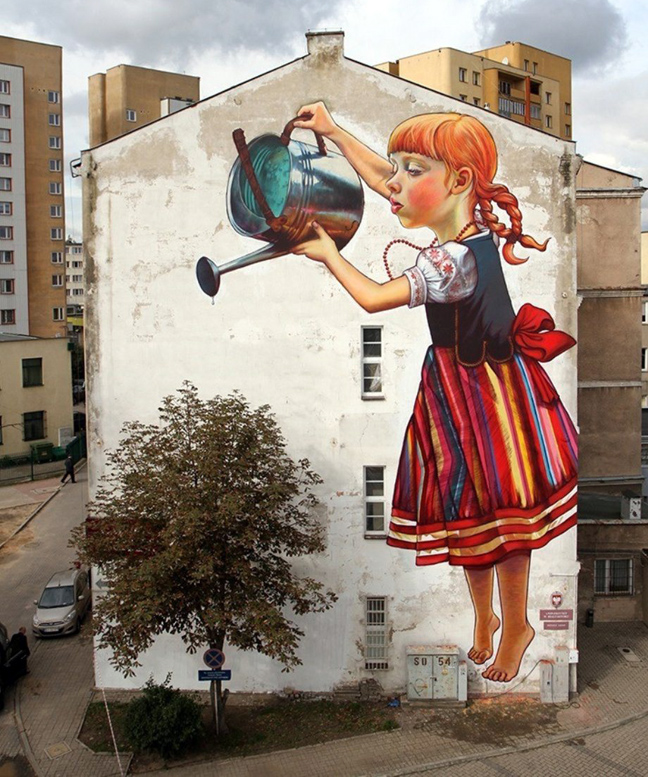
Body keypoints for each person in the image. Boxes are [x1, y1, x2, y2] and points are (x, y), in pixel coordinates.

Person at [292, 103, 577, 683]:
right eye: (399, 167)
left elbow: (373, 298)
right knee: (466, 508)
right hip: (455, 389)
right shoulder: (464, 233)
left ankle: (516, 626)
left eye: (413, 169)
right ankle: (483, 619)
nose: (394, 183)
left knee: (502, 513)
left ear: (460, 181)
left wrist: (330, 256)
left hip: (488, 395)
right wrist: (334, 130)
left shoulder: (453, 261)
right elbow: (384, 179)